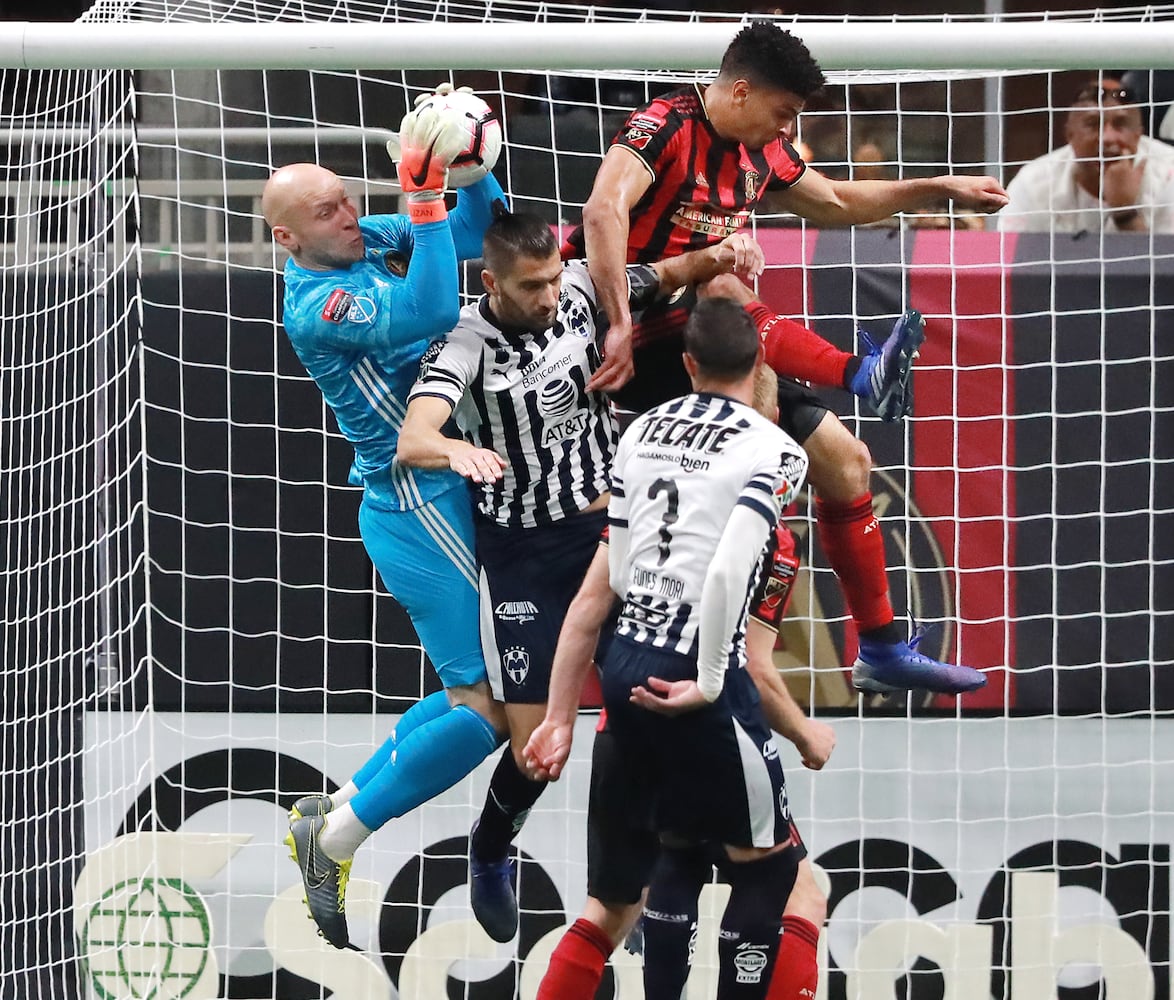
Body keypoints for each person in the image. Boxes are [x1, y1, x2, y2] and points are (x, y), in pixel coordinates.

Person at [570, 20, 999, 697]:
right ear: (740, 91)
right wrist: (619, 319)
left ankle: (881, 648)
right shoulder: (666, 125)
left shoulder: (759, 151)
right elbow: (601, 211)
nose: (786, 129)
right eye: (784, 113)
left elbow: (832, 201)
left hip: (698, 340)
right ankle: (858, 375)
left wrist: (939, 188)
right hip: (618, 334)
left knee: (845, 462)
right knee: (725, 283)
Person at [396, 210, 767, 943]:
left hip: (606, 530)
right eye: (529, 285)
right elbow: (414, 437)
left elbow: (665, 275)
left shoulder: (578, 291)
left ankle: (624, 883)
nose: (546, 297)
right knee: (537, 748)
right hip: (522, 553)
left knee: (644, 708)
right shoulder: (464, 343)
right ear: (488, 280)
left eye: (550, 280)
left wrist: (721, 250)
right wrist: (452, 451)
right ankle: (493, 843)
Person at [265, 91, 511, 950]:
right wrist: (422, 200)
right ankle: (339, 839)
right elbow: (432, 312)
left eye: (344, 198)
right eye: (324, 212)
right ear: (286, 238)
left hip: (449, 492)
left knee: (467, 694)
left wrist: (468, 173)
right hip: (416, 505)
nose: (346, 216)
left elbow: (480, 243)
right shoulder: (316, 306)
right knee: (488, 713)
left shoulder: (362, 238)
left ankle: (330, 812)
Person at [523, 364, 834, 1000]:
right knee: (797, 886)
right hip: (704, 719)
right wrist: (805, 734)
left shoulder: (644, 483)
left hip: (623, 721)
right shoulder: (766, 532)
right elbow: (750, 661)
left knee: (615, 904)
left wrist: (558, 718)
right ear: (766, 428)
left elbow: (587, 607)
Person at [999, 76, 1174, 233]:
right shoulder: (1033, 182)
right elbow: (1008, 261)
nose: (1108, 138)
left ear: (1138, 134)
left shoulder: (1169, 173)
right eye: (1093, 124)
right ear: (1069, 135)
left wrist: (1125, 213)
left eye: (1121, 124)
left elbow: (1165, 265)